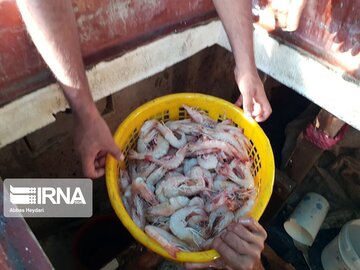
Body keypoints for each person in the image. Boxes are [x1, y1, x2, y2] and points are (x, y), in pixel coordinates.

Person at [16, 0, 304, 269]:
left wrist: (246, 67)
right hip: (85, 80)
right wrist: (84, 112)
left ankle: (107, 232)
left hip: (158, 207)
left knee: (80, 199)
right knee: (67, 199)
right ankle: (50, 212)